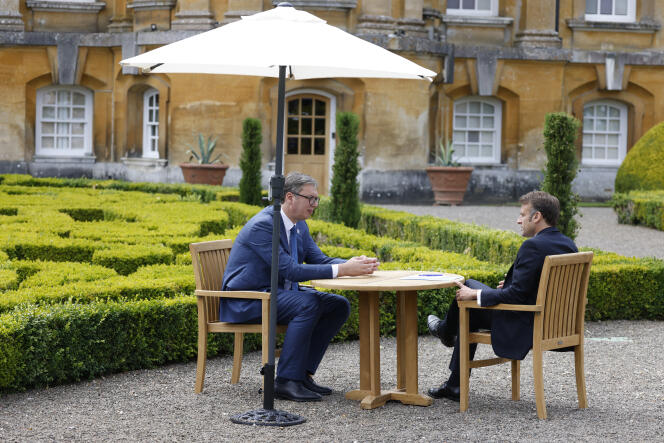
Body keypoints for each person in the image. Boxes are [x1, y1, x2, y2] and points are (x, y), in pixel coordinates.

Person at [221, 172, 380, 402]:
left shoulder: (298, 225)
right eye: (311, 199)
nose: (315, 204)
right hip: (248, 300)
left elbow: (321, 260)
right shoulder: (264, 225)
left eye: (316, 199)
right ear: (290, 197)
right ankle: (285, 381)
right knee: (309, 304)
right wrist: (344, 270)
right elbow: (290, 271)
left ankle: (302, 374)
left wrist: (354, 264)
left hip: (276, 294)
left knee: (338, 305)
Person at [426, 191, 578, 401]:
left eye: (522, 215)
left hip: (526, 322)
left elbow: (516, 295)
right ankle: (454, 382)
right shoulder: (568, 245)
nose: (518, 220)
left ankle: (445, 334)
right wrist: (506, 286)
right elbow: (542, 288)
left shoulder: (532, 246)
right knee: (472, 297)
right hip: (554, 324)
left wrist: (477, 293)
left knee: (469, 292)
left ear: (537, 217)